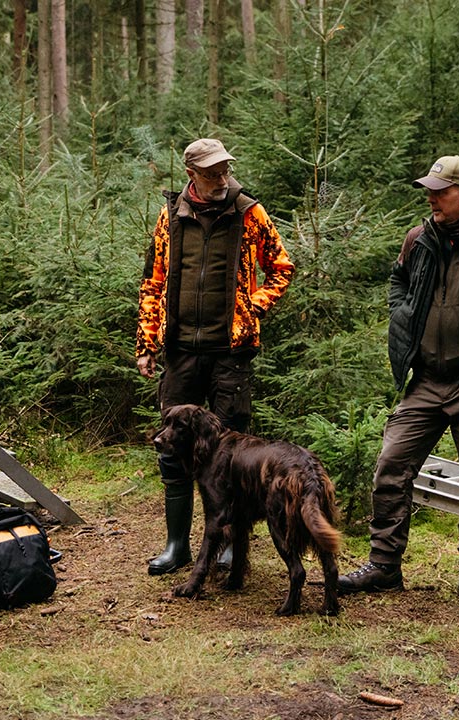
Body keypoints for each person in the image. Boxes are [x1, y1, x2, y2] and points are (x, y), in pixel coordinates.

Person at [338, 155, 459, 599]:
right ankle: (384, 565)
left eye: (439, 192)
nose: (431, 199)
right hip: (426, 379)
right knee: (391, 464)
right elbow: (398, 281)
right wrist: (402, 314)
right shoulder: (418, 240)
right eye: (428, 190)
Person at [136, 138, 295, 575]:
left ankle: (228, 543)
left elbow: (282, 266)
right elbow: (152, 281)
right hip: (181, 349)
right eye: (212, 173)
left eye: (225, 170)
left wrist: (253, 305)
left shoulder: (248, 212)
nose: (222, 179)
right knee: (172, 448)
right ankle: (176, 545)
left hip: (231, 351)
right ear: (192, 175)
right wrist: (147, 343)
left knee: (231, 449)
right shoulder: (171, 217)